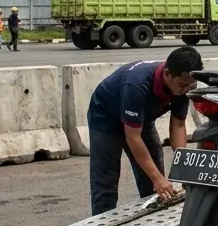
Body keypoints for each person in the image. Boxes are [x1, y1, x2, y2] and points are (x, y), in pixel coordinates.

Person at [86, 46, 202, 216]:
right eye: (183, 85)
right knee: (106, 179)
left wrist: (184, 165)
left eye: (189, 85)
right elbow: (133, 137)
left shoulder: (184, 86)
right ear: (167, 74)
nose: (186, 89)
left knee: (155, 178)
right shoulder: (137, 84)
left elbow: (178, 125)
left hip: (140, 119)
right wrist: (157, 178)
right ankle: (100, 225)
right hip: (106, 118)